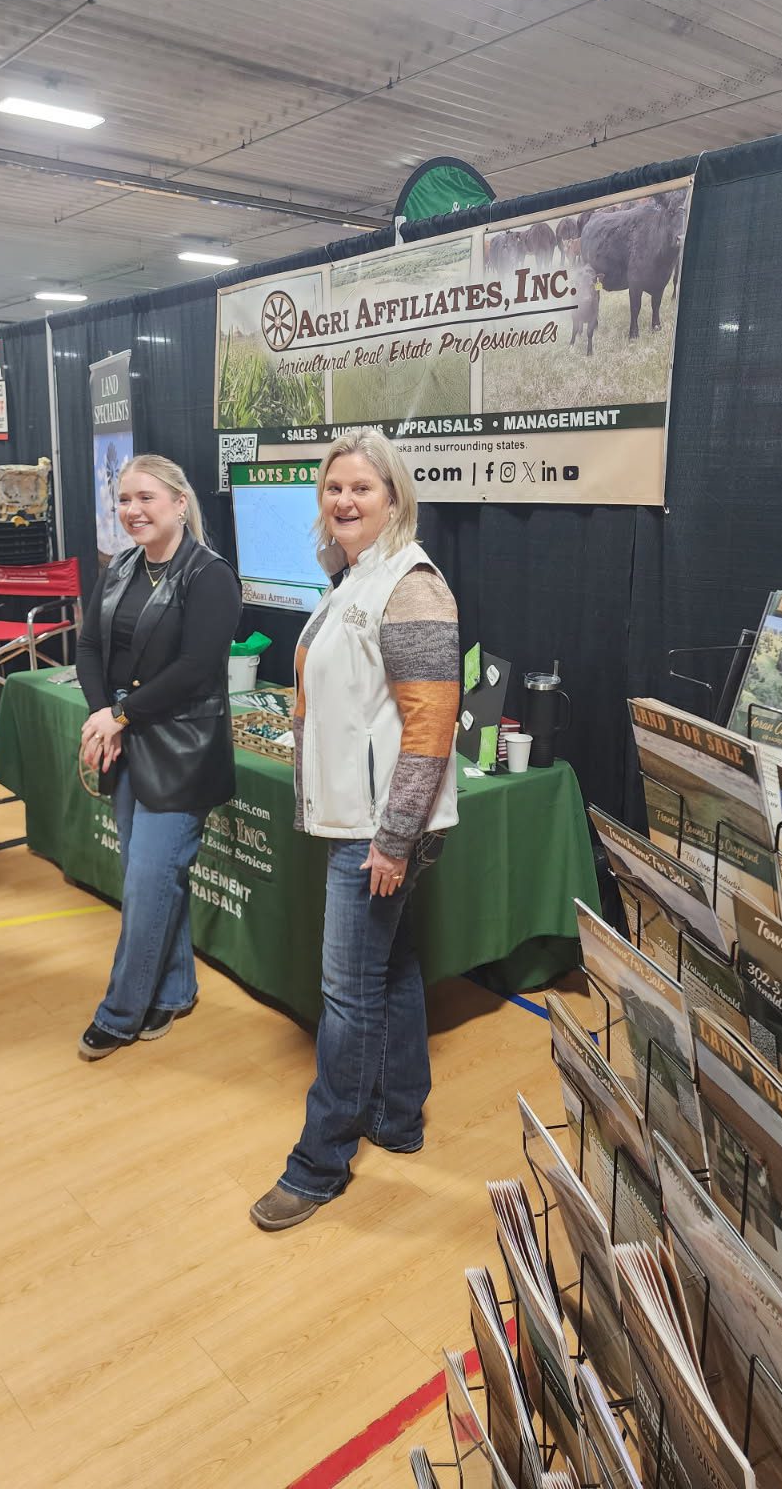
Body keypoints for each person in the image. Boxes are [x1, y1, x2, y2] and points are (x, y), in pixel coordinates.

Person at [251, 430, 460, 1232]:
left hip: (380, 830)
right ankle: (399, 1115)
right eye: (333, 487)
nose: (343, 500)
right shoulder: (356, 577)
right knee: (390, 964)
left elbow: (430, 725)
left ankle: (320, 1161)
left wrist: (392, 839)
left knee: (346, 994)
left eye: (361, 488)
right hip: (363, 823)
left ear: (394, 498)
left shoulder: (411, 586)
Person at [75, 453, 241, 1060]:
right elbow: (89, 645)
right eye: (123, 500)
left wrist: (120, 715)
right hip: (126, 738)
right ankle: (174, 989)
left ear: (179, 502)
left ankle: (120, 1013)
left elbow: (196, 670)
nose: (132, 511)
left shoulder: (210, 575)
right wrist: (105, 716)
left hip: (181, 751)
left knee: (148, 883)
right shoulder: (120, 567)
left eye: (146, 498)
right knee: (152, 881)